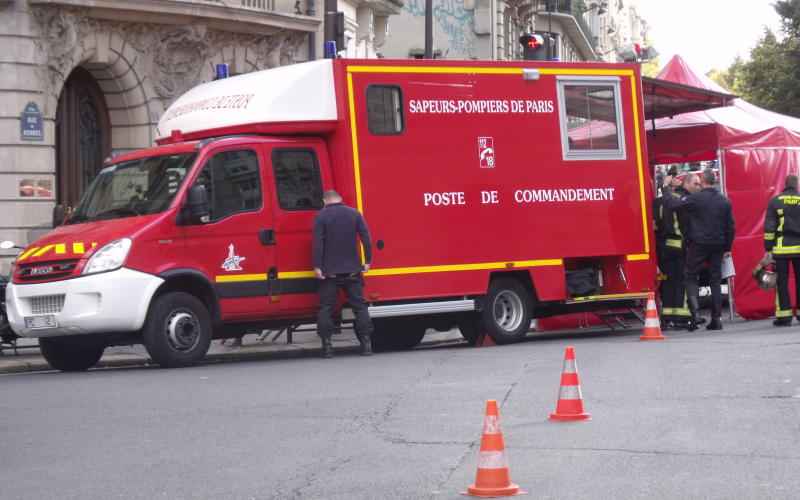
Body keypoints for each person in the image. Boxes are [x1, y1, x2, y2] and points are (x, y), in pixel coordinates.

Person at [666, 168, 735, 331]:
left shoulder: (696, 199)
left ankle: (695, 315)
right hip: (718, 244)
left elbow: (673, 206)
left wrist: (666, 188)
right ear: (714, 180)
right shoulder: (724, 200)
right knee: (715, 280)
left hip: (698, 243)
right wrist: (727, 248)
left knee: (690, 276)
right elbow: (731, 227)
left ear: (703, 181)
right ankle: (716, 320)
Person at [312, 190, 373, 357]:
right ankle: (366, 344)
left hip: (329, 273)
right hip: (352, 271)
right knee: (359, 307)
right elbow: (366, 238)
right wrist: (367, 261)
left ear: (324, 200)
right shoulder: (354, 213)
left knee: (325, 308)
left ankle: (327, 347)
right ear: (340, 198)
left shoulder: (321, 217)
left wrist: (317, 266)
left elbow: (318, 243)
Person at [659, 173, 701, 330]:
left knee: (669, 281)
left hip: (666, 245)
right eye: (696, 184)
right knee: (684, 281)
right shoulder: (686, 201)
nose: (698, 188)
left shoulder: (665, 200)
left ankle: (668, 316)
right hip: (682, 246)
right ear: (687, 183)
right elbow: (689, 225)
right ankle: (682, 317)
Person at [763, 174, 800, 326]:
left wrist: (768, 247)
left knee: (781, 282)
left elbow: (769, 227)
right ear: (797, 185)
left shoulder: (775, 201)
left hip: (780, 249)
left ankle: (784, 317)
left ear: (785, 185)